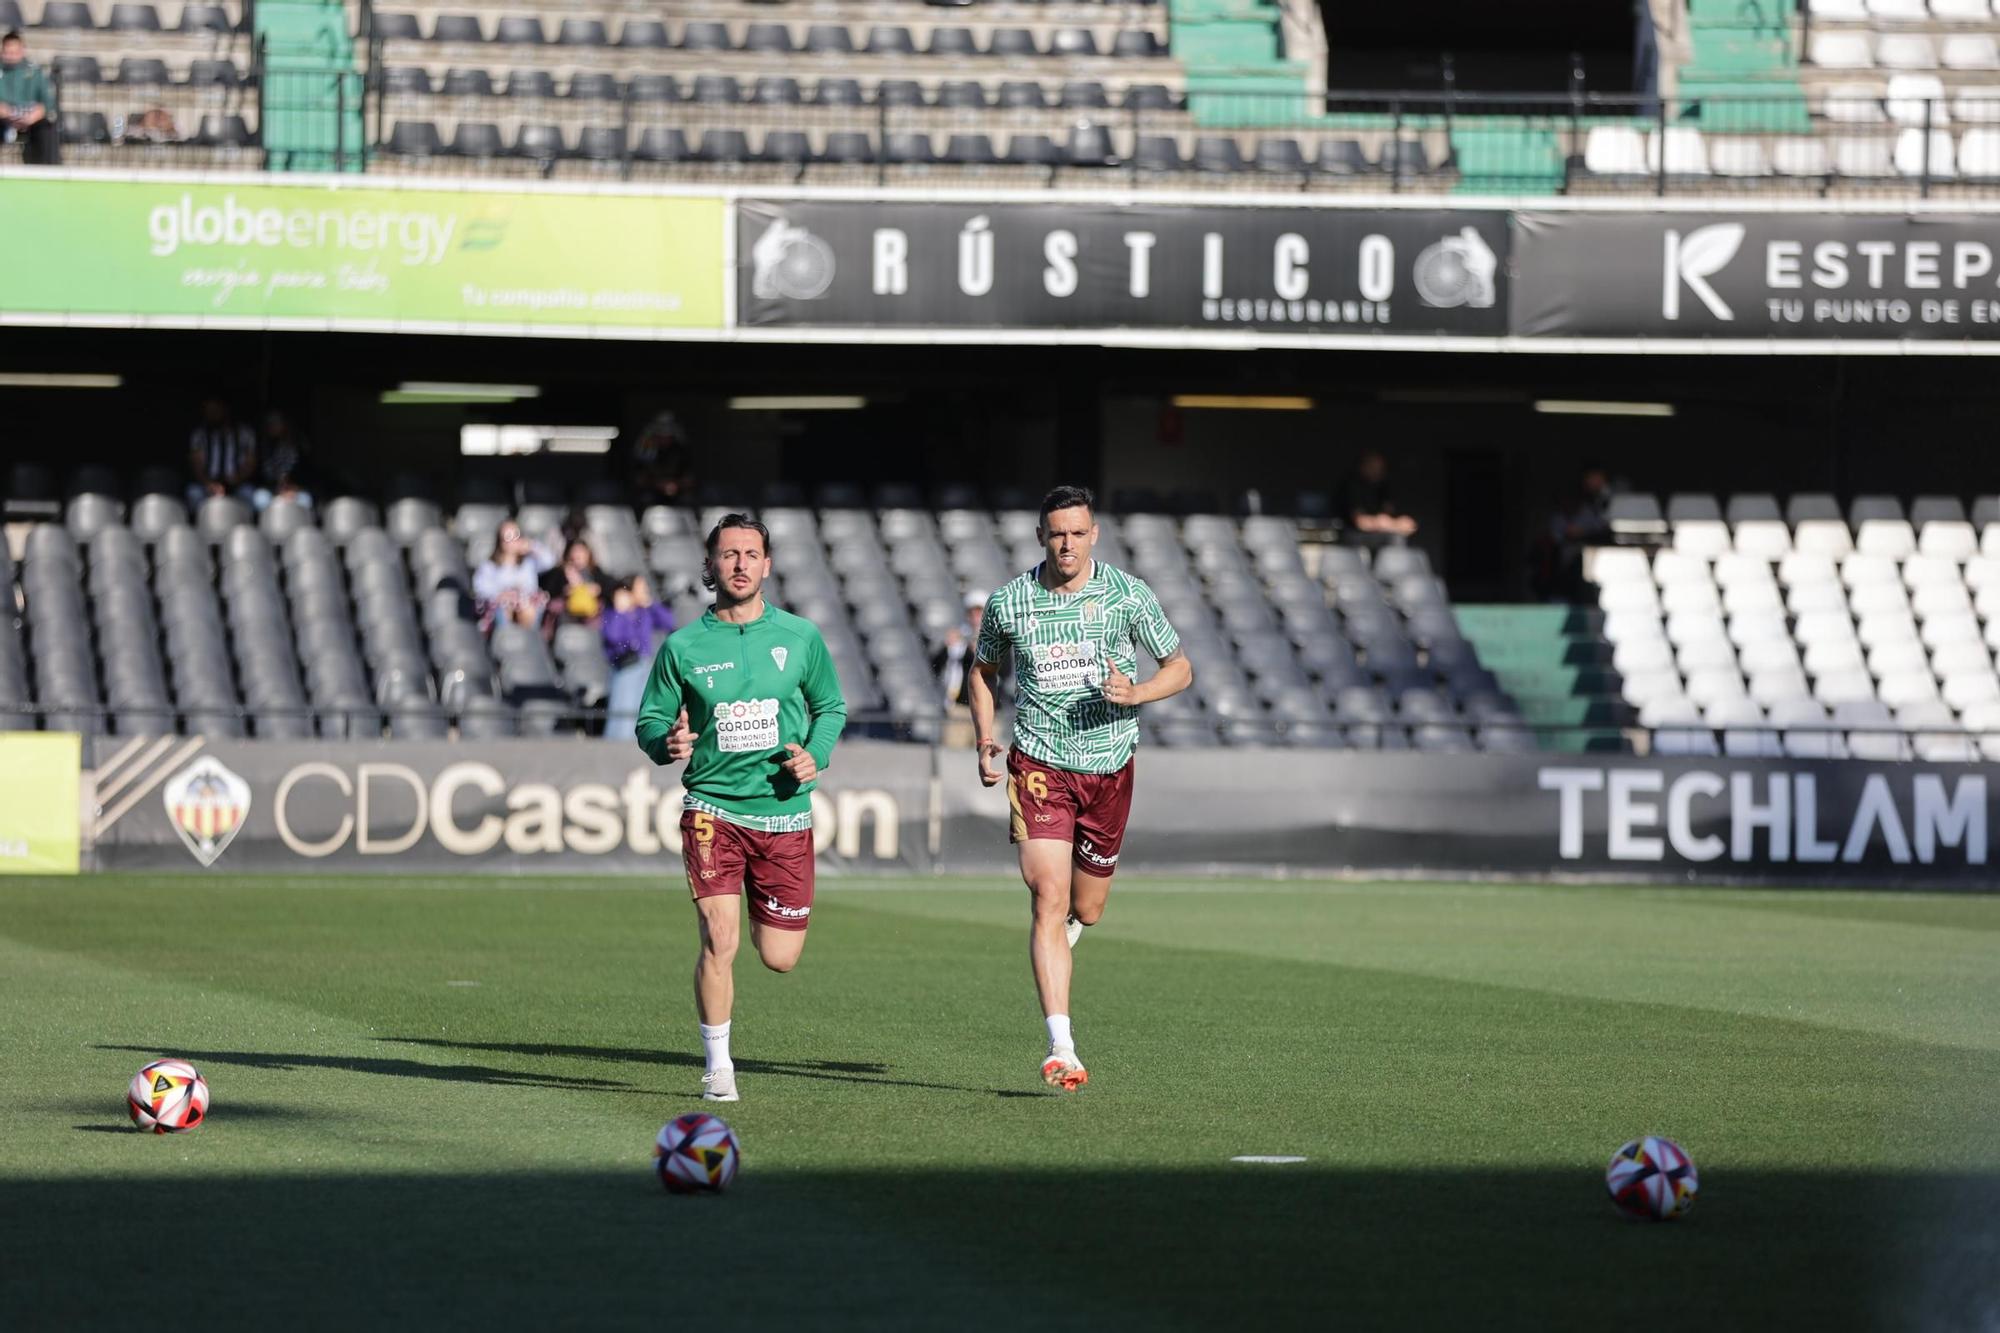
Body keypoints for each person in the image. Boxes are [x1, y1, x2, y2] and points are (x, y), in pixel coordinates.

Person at [967, 485, 1193, 1092]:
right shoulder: (1011, 601)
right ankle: (1061, 1046)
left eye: (1077, 531)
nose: (1067, 542)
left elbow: (1180, 666)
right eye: (1056, 532)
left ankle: (1066, 933)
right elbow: (982, 670)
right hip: (1039, 765)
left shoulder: (1127, 594)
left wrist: (1138, 693)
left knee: (1086, 908)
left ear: (1094, 534)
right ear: (1041, 535)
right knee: (1047, 894)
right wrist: (986, 738)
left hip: (1110, 768)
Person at [635, 514, 847, 1103]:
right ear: (710, 566)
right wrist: (665, 743)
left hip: (784, 815)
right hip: (712, 810)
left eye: (750, 554)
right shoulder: (682, 646)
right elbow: (651, 720)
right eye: (728, 554)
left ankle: (766, 929)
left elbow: (831, 707)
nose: (739, 564)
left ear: (767, 564)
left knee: (779, 956)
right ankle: (719, 1066)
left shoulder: (801, 637)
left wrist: (816, 757)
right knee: (718, 937)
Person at [600, 574, 671, 741]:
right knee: (623, 713)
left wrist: (651, 604)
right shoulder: (613, 612)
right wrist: (621, 611)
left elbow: (668, 622)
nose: (645, 590)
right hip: (625, 667)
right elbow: (612, 636)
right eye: (641, 587)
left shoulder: (644, 611)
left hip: (644, 665)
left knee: (640, 712)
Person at [931, 589, 988, 747]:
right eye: (972, 612)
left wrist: (983, 655)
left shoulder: (996, 638)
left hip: (987, 709)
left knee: (987, 761)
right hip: (959, 708)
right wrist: (945, 646)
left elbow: (1005, 673)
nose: (976, 617)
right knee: (954, 756)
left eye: (980, 612)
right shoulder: (958, 636)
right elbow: (935, 667)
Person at [472, 520, 551, 630]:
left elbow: (549, 561)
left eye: (516, 535)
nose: (512, 541)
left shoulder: (529, 562)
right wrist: (501, 595)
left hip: (527, 607)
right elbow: (480, 588)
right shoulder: (489, 566)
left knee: (528, 608)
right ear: (500, 540)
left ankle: (529, 640)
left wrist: (531, 546)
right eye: (508, 536)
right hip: (501, 608)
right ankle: (505, 640)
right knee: (503, 608)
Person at [186, 397, 258, 509]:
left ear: (225, 410)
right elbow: (197, 464)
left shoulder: (244, 433)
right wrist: (208, 484)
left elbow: (250, 462)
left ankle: (245, 525)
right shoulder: (200, 435)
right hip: (208, 482)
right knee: (194, 493)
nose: (211, 414)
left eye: (214, 410)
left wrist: (238, 479)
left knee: (249, 494)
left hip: (237, 482)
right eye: (208, 411)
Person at [0, 32, 59, 166]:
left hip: (31, 121)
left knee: (47, 128)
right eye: (7, 52)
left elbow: (48, 102)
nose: (11, 56)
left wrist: (35, 115)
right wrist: (4, 112)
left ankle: (47, 173)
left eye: (14, 52)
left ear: (22, 51)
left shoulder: (35, 72)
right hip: (2, 121)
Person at [1336, 449, 1417, 545]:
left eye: (1380, 468)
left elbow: (1390, 513)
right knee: (1395, 539)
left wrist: (1396, 523)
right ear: (1363, 466)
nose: (1377, 470)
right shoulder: (1352, 486)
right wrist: (1393, 525)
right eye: (1372, 466)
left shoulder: (1382, 487)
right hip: (1350, 534)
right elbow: (1361, 523)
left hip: (1378, 533)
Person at [252, 411, 314, 512]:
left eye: (276, 423)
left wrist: (293, 489)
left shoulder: (299, 447)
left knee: (305, 500)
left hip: (296, 490)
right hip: (272, 491)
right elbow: (262, 477)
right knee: (260, 498)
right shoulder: (263, 449)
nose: (272, 427)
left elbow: (306, 475)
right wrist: (277, 490)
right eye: (270, 424)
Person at [628, 411, 695, 504]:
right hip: (652, 493)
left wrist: (675, 485)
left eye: (668, 436)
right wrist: (658, 484)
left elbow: (689, 479)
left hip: (677, 493)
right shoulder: (646, 448)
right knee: (645, 498)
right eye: (661, 436)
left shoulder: (680, 450)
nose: (664, 440)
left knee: (688, 500)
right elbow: (639, 478)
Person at [542, 539, 604, 626]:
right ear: (568, 554)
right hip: (565, 614)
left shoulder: (596, 572)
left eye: (581, 551)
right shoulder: (560, 572)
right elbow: (548, 589)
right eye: (575, 551)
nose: (578, 554)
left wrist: (598, 589)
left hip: (589, 614)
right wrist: (564, 590)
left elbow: (609, 588)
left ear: (588, 554)